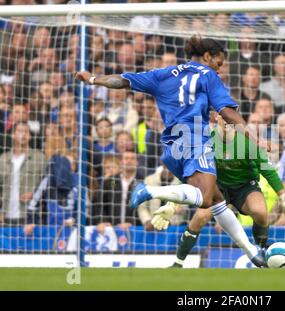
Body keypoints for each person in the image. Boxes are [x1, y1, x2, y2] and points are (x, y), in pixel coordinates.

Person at [74, 35, 267, 267]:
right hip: (195, 139)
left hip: (171, 147)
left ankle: (252, 253)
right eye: (219, 61)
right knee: (205, 198)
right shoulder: (208, 76)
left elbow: (123, 81)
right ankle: (150, 191)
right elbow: (226, 112)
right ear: (207, 57)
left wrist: (94, 79)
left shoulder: (162, 74)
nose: (220, 67)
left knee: (216, 201)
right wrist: (253, 136)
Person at [164, 113, 285, 267]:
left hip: (245, 186)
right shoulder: (207, 140)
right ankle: (178, 263)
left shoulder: (248, 141)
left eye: (230, 116)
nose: (226, 120)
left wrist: (284, 198)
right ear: (215, 117)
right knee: (200, 217)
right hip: (217, 187)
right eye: (222, 115)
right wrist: (172, 202)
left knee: (260, 212)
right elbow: (192, 171)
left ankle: (259, 251)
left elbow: (268, 170)